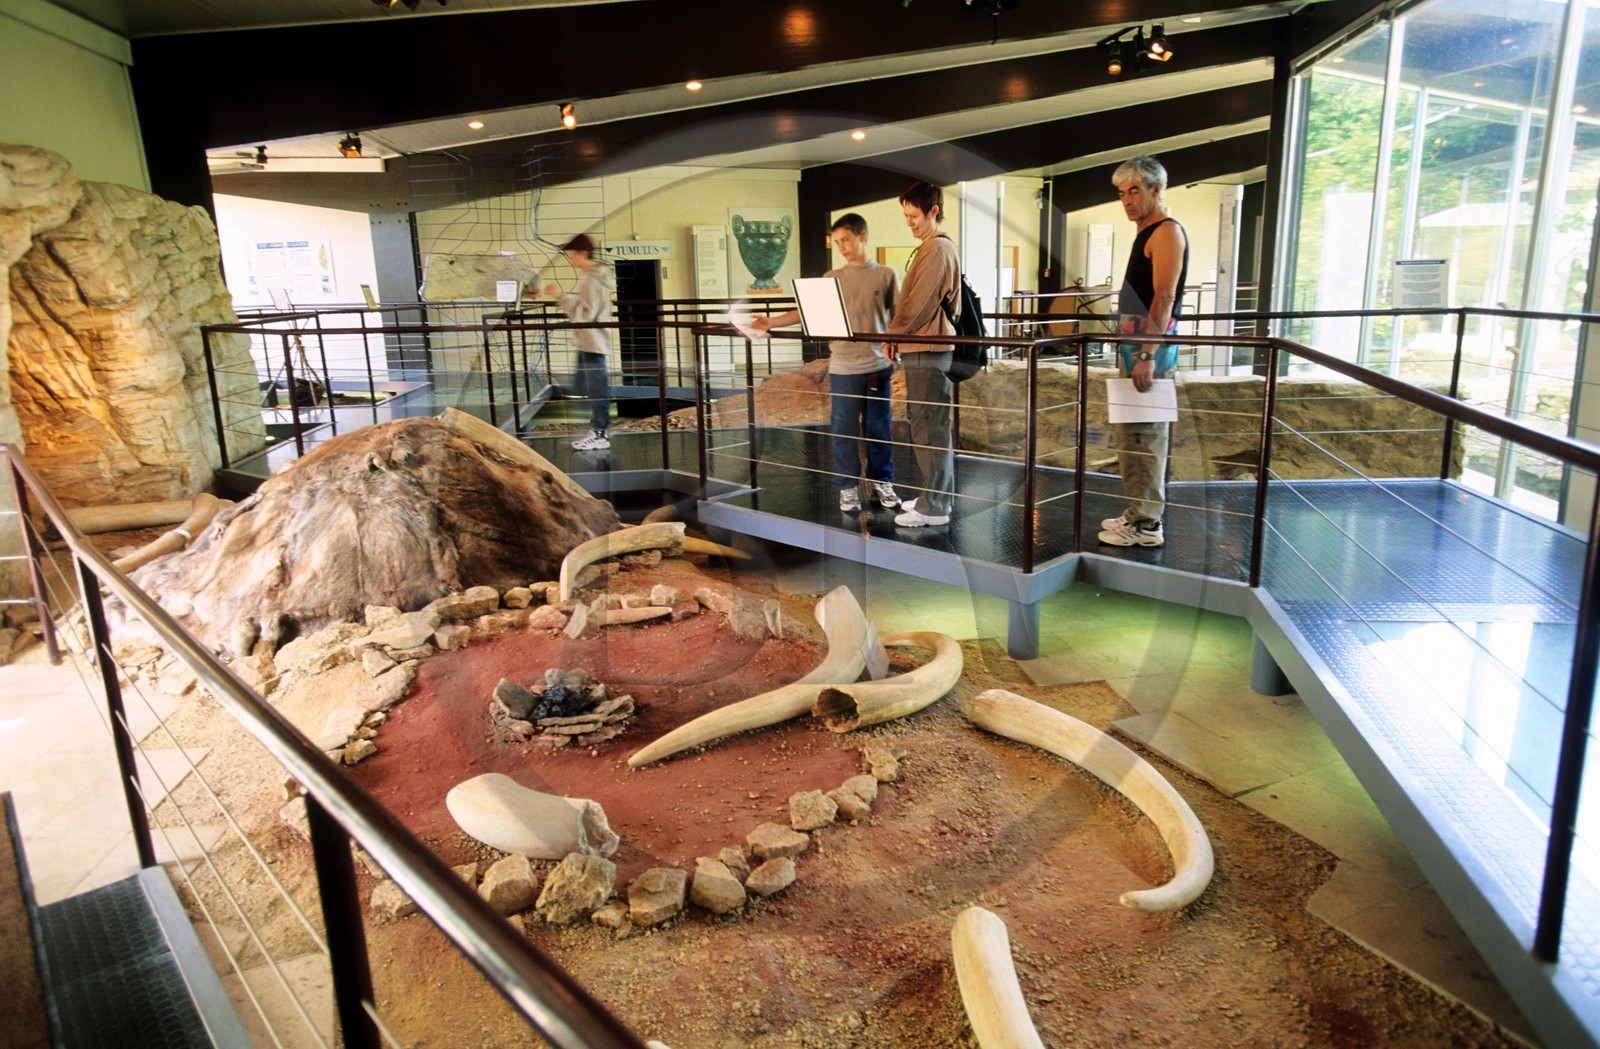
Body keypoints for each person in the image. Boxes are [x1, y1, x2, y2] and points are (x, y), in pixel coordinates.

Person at [749, 214, 901, 513]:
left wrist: (900, 347)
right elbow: (805, 312)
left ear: (862, 236)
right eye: (837, 242)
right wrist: (771, 321)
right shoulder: (832, 278)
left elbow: (899, 317)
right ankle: (847, 487)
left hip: (877, 367)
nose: (842, 246)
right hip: (843, 368)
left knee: (878, 428)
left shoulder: (886, 275)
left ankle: (883, 482)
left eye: (846, 239)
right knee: (843, 430)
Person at [1098, 155, 1188, 549]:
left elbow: (1165, 296)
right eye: (1122, 193)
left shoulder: (1166, 232)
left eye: (1135, 190)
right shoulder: (1146, 231)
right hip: (1133, 348)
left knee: (1146, 438)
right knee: (1131, 436)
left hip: (1148, 351)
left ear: (1157, 189)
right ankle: (1137, 511)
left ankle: (1148, 524)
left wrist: (1148, 354)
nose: (1127, 200)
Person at [883, 180, 960, 528]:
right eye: (906, 216)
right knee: (927, 425)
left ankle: (935, 507)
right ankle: (935, 496)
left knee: (930, 428)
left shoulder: (937, 250)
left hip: (928, 348)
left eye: (914, 216)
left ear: (933, 211)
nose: (910, 223)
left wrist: (892, 334)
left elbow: (918, 304)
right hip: (923, 347)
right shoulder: (932, 247)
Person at [544, 233, 615, 451]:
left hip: (593, 342)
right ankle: (597, 430)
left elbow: (584, 314)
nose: (569, 259)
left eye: (571, 254)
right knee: (585, 387)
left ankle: (599, 434)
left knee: (596, 389)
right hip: (589, 341)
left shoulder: (592, 279)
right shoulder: (593, 276)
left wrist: (559, 296)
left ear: (582, 253)